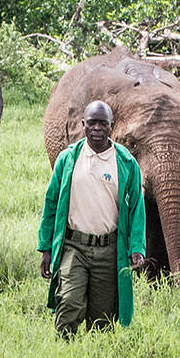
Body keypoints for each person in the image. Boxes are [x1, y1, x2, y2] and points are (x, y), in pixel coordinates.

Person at [37, 101, 147, 337]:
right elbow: (51, 203)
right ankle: (64, 357)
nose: (97, 128)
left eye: (103, 123)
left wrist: (137, 247)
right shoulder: (69, 159)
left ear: (112, 126)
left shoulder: (126, 163)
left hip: (109, 249)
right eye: (92, 123)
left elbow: (137, 208)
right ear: (83, 125)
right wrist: (46, 247)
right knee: (68, 302)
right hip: (74, 246)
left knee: (102, 319)